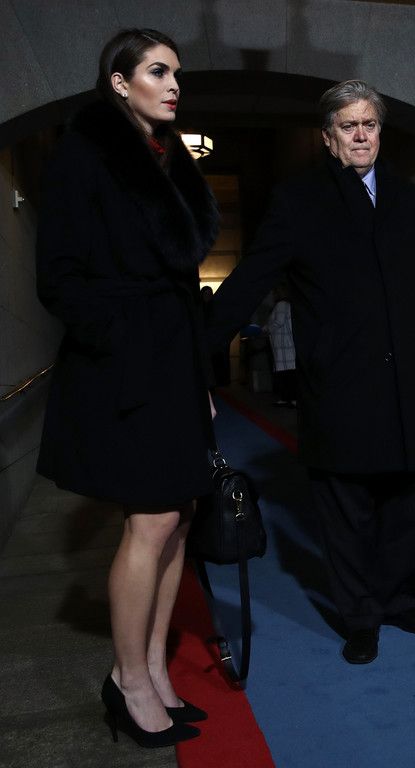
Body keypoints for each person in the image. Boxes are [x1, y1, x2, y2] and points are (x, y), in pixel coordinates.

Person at [209, 80, 415, 664]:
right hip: (340, 382)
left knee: (403, 499)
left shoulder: (409, 199)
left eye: (369, 124)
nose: (360, 135)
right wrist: (199, 352)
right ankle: (360, 617)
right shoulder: (297, 200)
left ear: (380, 133)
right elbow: (251, 278)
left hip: (405, 380)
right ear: (328, 138)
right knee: (347, 506)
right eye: (348, 126)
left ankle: (398, 601)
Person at [36, 29, 219, 746]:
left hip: (176, 365)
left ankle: (154, 667)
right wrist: (127, 339)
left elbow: (181, 283)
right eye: (157, 71)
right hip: (126, 364)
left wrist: (199, 378)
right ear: (120, 82)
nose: (174, 85)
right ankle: (128, 680)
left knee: (181, 517)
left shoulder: (167, 158)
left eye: (177, 74)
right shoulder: (84, 153)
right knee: (150, 521)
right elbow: (58, 278)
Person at [264, 285, 298, 407]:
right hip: (284, 345)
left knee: (286, 374)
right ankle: (288, 398)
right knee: (287, 373)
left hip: (284, 345)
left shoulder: (281, 305)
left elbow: (278, 322)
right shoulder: (287, 305)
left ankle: (290, 398)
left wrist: (265, 329)